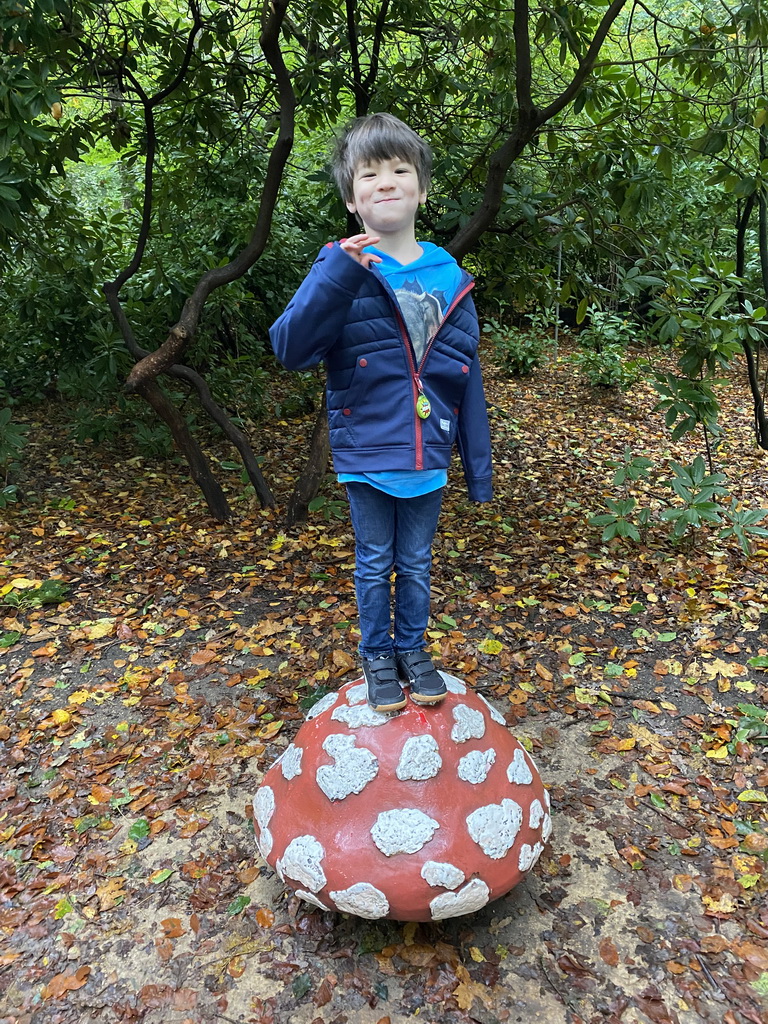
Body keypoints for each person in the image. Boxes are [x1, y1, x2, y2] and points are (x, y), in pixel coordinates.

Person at [270, 112, 492, 713]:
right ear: (351, 197)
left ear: (421, 187)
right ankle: (377, 655)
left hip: (427, 452)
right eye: (369, 174)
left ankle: (413, 650)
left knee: (416, 562)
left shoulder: (450, 277)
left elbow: (465, 377)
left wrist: (479, 468)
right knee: (374, 562)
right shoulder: (340, 268)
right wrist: (338, 273)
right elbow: (290, 349)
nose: (386, 182)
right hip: (366, 450)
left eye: (400, 170)